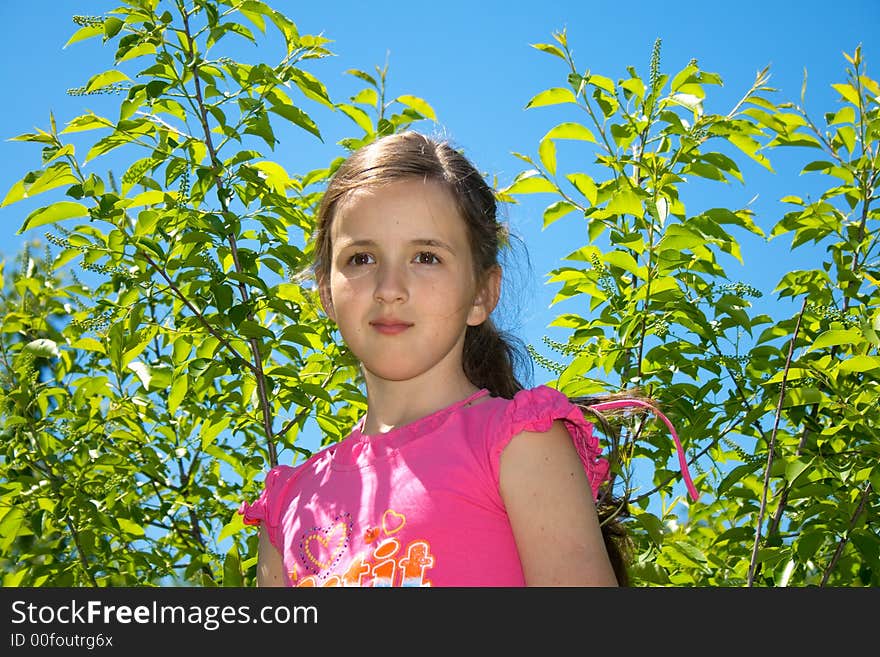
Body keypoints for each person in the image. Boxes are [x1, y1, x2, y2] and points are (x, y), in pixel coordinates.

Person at [238, 131, 696, 587]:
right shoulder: (292, 503)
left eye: (425, 257)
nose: (389, 287)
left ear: (482, 292)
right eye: (361, 258)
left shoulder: (518, 445)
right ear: (326, 292)